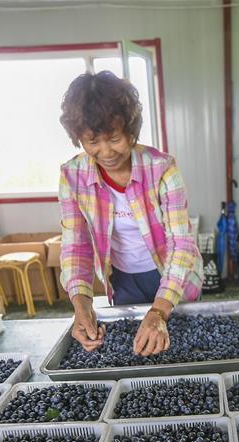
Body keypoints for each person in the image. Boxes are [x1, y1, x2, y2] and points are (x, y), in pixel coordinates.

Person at [58, 71, 203, 356]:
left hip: (172, 275)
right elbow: (76, 244)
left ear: (131, 130)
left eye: (114, 138)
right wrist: (82, 303)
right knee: (139, 354)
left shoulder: (162, 169)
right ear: (79, 138)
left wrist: (160, 312)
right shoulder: (72, 175)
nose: (106, 151)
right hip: (123, 279)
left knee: (183, 350)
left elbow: (181, 245)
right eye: (92, 142)